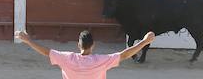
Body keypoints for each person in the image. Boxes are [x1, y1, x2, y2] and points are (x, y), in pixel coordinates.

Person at [17, 28, 155, 78]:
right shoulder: (101, 61)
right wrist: (144, 42)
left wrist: (28, 40)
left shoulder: (67, 58)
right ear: (93, 45)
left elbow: (46, 52)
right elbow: (124, 55)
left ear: (78, 45)